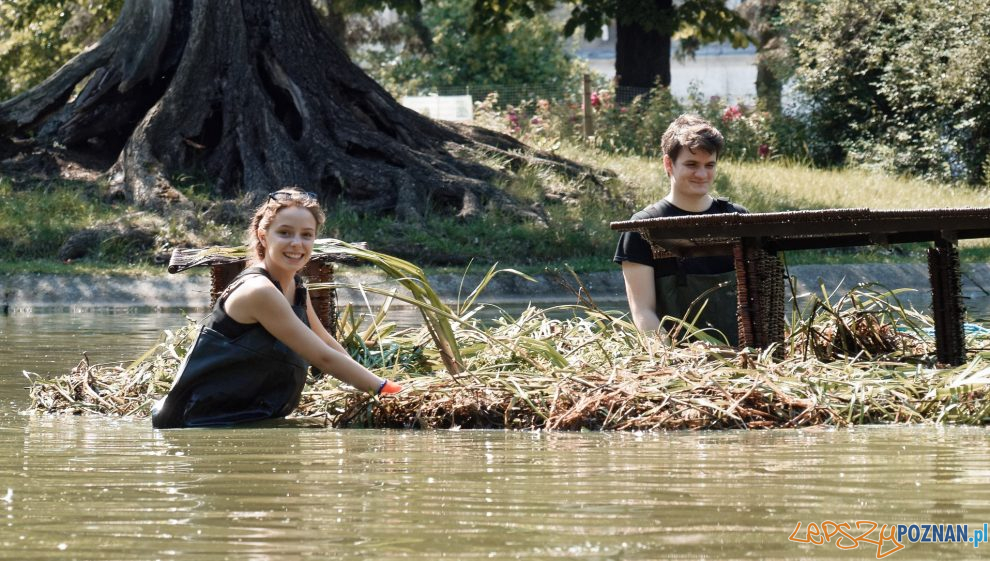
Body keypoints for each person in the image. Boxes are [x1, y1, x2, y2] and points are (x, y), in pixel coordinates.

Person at [152, 187, 401, 428]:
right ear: (263, 235)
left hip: (245, 417)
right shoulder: (260, 291)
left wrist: (374, 383)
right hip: (197, 422)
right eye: (285, 233)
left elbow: (326, 343)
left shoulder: (295, 285)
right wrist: (387, 389)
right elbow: (323, 359)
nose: (297, 244)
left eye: (306, 235)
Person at [613, 114, 748, 345]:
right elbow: (643, 312)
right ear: (668, 164)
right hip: (681, 365)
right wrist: (675, 364)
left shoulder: (738, 220)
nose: (702, 174)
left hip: (746, 360)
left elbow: (761, 299)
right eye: (691, 164)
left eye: (710, 165)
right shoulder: (643, 228)